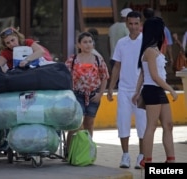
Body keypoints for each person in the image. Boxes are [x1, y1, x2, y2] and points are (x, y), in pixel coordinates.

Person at [132, 17, 177, 167]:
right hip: (153, 90)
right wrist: (171, 89)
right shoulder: (150, 51)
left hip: (157, 90)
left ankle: (171, 159)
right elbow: (154, 76)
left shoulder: (155, 49)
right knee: (152, 126)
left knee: (168, 125)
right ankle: (147, 160)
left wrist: (136, 91)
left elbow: (142, 74)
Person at [107, 11, 146, 169]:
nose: (133, 27)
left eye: (136, 24)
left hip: (141, 90)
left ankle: (141, 157)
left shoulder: (146, 42)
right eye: (130, 24)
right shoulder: (121, 43)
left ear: (140, 24)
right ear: (126, 24)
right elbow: (117, 65)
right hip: (123, 89)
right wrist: (111, 87)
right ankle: (125, 155)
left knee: (142, 124)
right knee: (123, 122)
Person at [65, 32, 109, 152]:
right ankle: (69, 151)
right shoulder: (72, 60)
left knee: (89, 123)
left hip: (93, 95)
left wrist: (100, 94)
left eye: (90, 42)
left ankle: (87, 151)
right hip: (77, 95)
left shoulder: (98, 60)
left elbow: (104, 76)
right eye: (85, 42)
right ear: (79, 45)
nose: (88, 45)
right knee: (76, 124)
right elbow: (64, 76)